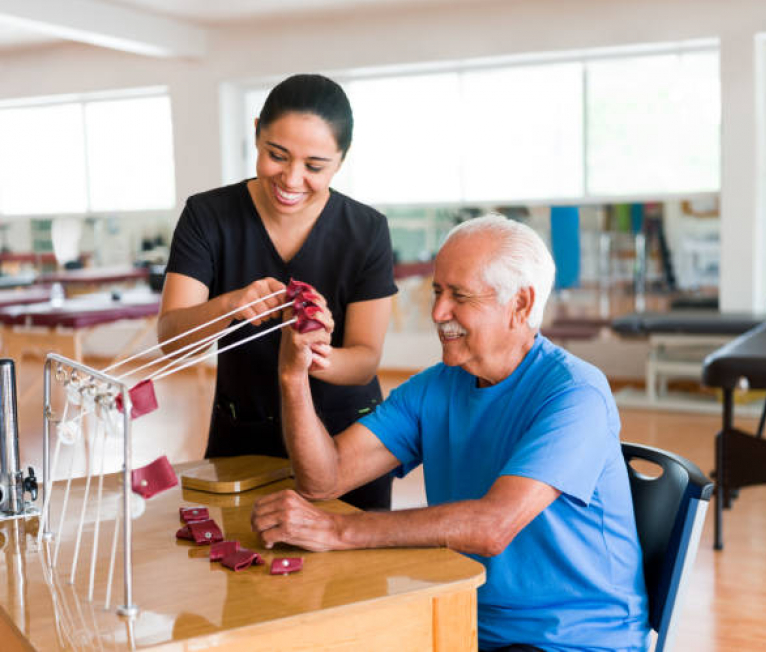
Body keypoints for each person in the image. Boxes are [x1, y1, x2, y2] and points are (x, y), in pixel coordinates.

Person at [251, 213, 650, 652]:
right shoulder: (437, 386)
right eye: (438, 291)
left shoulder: (575, 394)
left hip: (570, 640)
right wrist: (293, 377)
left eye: (459, 296)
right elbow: (323, 479)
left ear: (519, 304)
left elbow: (491, 526)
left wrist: (337, 532)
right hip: (464, 620)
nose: (439, 312)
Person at [159, 73, 397, 510]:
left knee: (351, 576)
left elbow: (364, 360)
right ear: (256, 133)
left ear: (341, 161)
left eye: (315, 166)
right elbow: (172, 339)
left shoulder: (366, 230)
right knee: (242, 566)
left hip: (345, 441)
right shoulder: (207, 216)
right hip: (243, 433)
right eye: (276, 155)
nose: (291, 179)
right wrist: (230, 305)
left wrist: (315, 355)